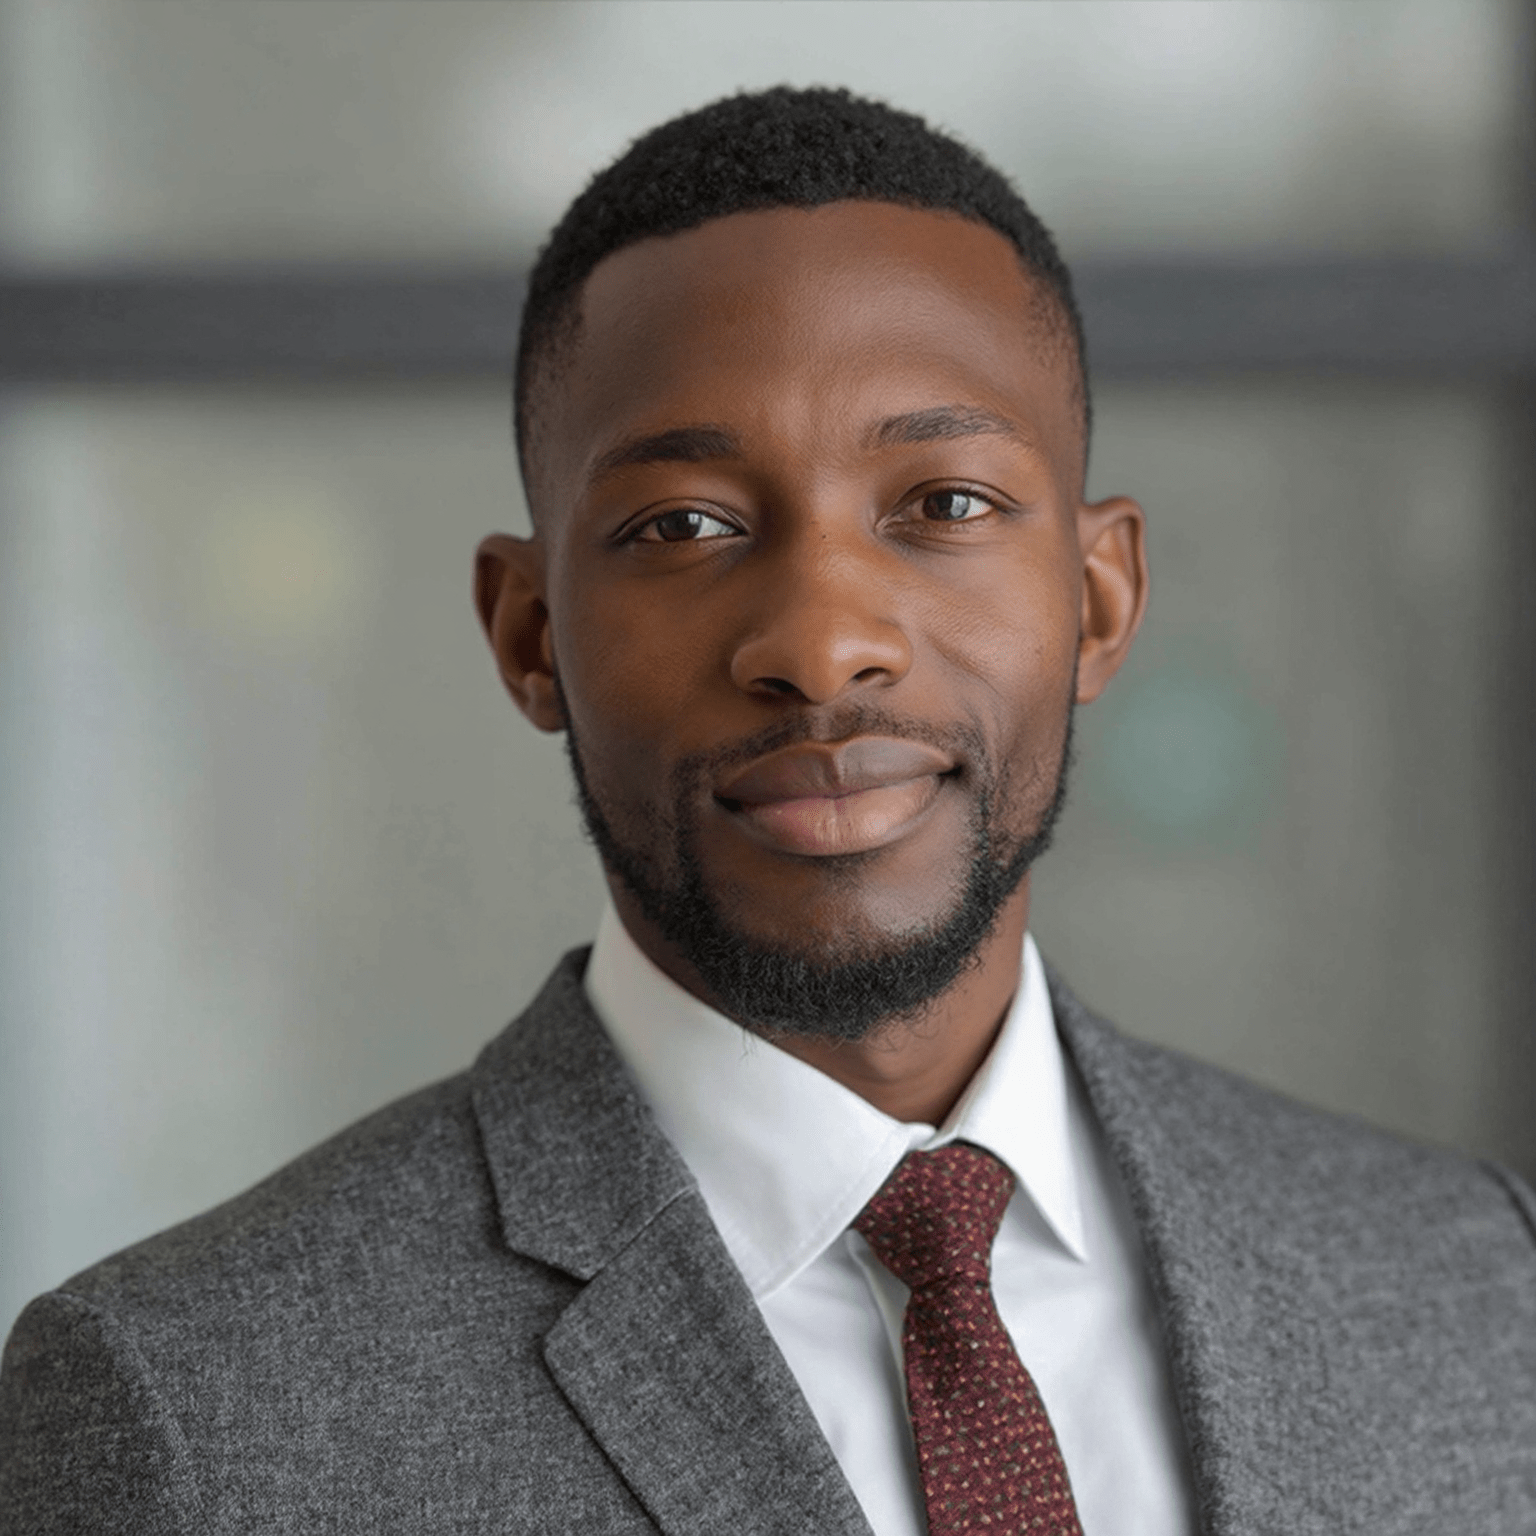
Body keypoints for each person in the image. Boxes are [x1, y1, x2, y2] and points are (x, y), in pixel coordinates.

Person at [2, 85, 1533, 1536]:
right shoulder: (191, 1417)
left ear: (1100, 598)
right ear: (531, 637)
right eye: (684, 525)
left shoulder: (1478, 1288)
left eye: (944, 504)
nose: (823, 642)